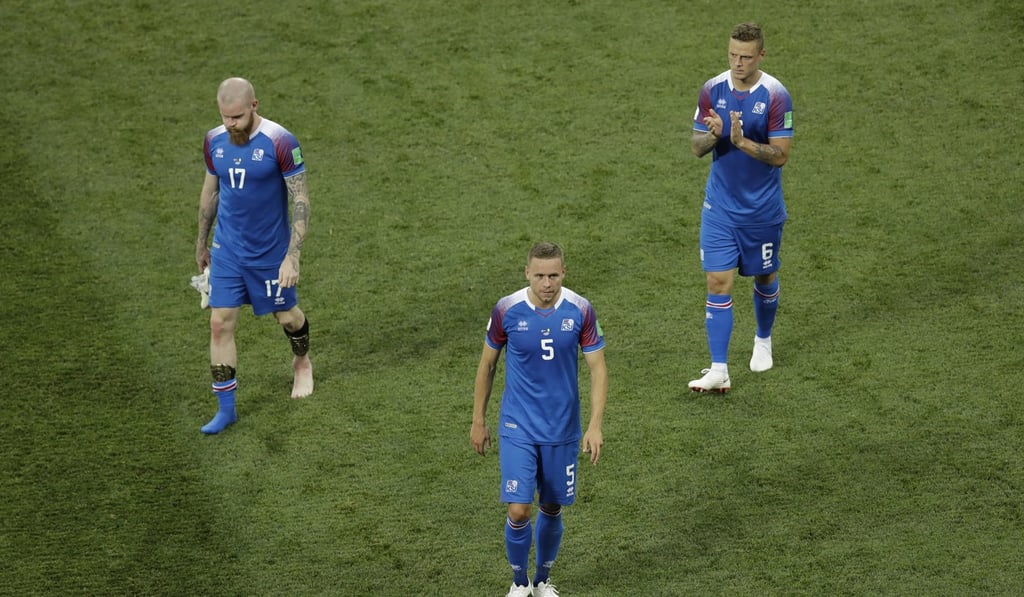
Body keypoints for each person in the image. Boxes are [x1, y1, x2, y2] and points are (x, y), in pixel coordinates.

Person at [471, 242, 608, 597]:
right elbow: (487, 365)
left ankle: (542, 580)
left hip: (562, 429)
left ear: (564, 272)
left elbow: (598, 368)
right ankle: (519, 583)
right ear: (527, 273)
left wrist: (594, 426)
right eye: (539, 275)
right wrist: (478, 420)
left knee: (551, 504)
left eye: (553, 275)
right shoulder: (507, 310)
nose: (546, 283)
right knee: (518, 509)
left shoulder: (580, 310)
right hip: (518, 426)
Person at [194, 77, 313, 434]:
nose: (231, 124)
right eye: (225, 117)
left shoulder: (281, 141)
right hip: (227, 249)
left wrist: (292, 256)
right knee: (220, 323)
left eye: (238, 117)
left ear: (254, 106)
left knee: (287, 317)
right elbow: (210, 192)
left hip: (269, 253)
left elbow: (301, 200)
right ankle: (226, 408)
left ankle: (302, 361)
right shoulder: (214, 141)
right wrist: (201, 242)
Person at [688, 22, 794, 393]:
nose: (738, 63)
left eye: (746, 57)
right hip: (719, 208)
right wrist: (713, 135)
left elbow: (780, 157)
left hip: (762, 212)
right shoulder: (712, 89)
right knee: (717, 280)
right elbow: (696, 148)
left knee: (765, 277)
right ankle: (719, 368)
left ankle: (763, 339)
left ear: (761, 55)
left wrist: (741, 141)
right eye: (733, 54)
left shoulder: (777, 95)